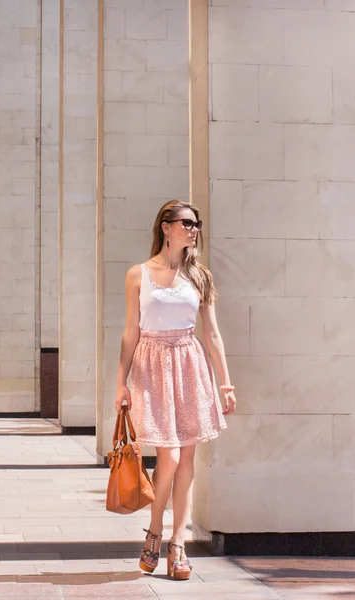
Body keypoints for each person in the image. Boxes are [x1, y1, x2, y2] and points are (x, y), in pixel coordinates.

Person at [114, 200, 237, 581]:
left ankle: (177, 543)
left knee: (187, 459)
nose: (193, 228)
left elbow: (212, 333)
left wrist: (225, 382)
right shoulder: (138, 274)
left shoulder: (200, 276)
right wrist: (121, 381)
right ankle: (154, 532)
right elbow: (130, 331)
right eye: (186, 222)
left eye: (196, 223)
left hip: (188, 364)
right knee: (165, 458)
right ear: (166, 228)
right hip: (151, 367)